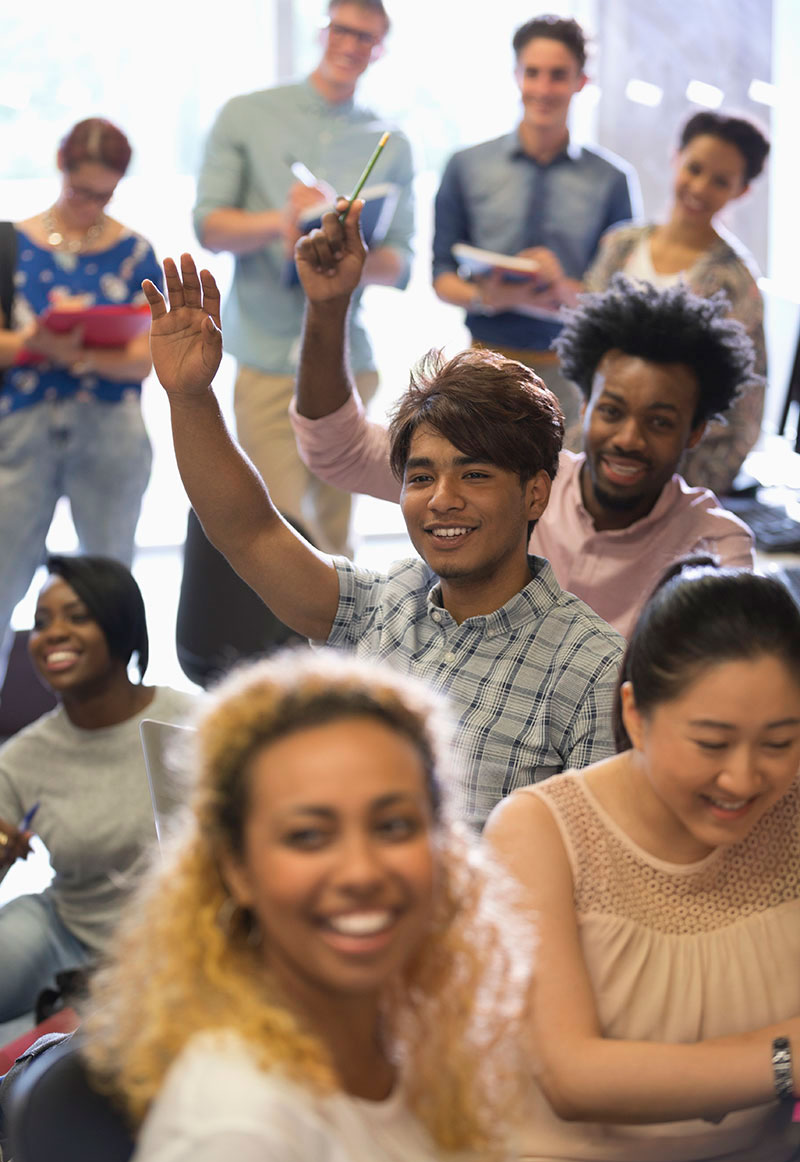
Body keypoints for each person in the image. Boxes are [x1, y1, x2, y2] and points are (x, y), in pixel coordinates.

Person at [138, 219, 623, 830]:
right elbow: (250, 532)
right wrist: (189, 398)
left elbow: (599, 882)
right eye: (421, 478)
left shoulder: (594, 671)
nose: (441, 499)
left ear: (534, 493)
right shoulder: (384, 602)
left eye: (473, 475)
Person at [83, 649, 533, 1162]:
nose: (361, 871)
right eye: (308, 836)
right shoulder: (239, 1131)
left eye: (393, 826)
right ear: (236, 868)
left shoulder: (419, 1047)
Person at [485, 563, 800, 1162]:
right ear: (636, 712)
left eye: (780, 743)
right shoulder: (538, 831)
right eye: (711, 743)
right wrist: (786, 1057)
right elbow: (574, 1078)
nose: (742, 779)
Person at [291, 269, 756, 638]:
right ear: (585, 405)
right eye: (612, 411)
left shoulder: (713, 546)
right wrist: (328, 306)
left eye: (659, 422)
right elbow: (337, 446)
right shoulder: (500, 478)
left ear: (694, 431)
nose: (629, 439)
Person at [193, 0, 414, 556]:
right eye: (343, 29)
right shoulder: (247, 114)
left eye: (367, 37)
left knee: (337, 547)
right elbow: (210, 226)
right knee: (277, 537)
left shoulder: (391, 141)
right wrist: (283, 222)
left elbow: (399, 263)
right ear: (323, 31)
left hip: (348, 365)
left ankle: (333, 650)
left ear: (380, 49)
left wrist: (350, 244)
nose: (351, 45)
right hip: (266, 363)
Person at [0, 554, 194, 1044]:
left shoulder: (193, 720)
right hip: (62, 933)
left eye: (77, 617)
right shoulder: (23, 756)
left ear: (121, 625)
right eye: (41, 623)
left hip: (168, 944)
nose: (52, 634)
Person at [0, 117, 160, 662]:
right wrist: (38, 342)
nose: (90, 204)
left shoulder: (136, 253)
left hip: (110, 428)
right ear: (61, 169)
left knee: (110, 585)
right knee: (3, 584)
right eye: (80, 190)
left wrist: (78, 352)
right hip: (22, 429)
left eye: (103, 194)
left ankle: (114, 724)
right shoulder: (9, 244)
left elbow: (144, 361)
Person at [431, 14, 640, 426]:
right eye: (533, 73)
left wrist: (560, 287)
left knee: (562, 488)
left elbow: (619, 303)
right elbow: (440, 277)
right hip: (480, 367)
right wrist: (489, 298)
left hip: (573, 375)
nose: (544, 89)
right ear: (516, 76)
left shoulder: (613, 181)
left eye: (558, 75)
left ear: (582, 81)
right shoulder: (464, 166)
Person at [582, 111, 770, 495]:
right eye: (694, 168)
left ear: (742, 191)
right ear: (675, 158)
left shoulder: (737, 282)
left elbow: (744, 408)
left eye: (720, 181)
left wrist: (694, 489)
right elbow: (580, 359)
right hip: (591, 462)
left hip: (676, 481)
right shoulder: (620, 247)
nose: (700, 188)